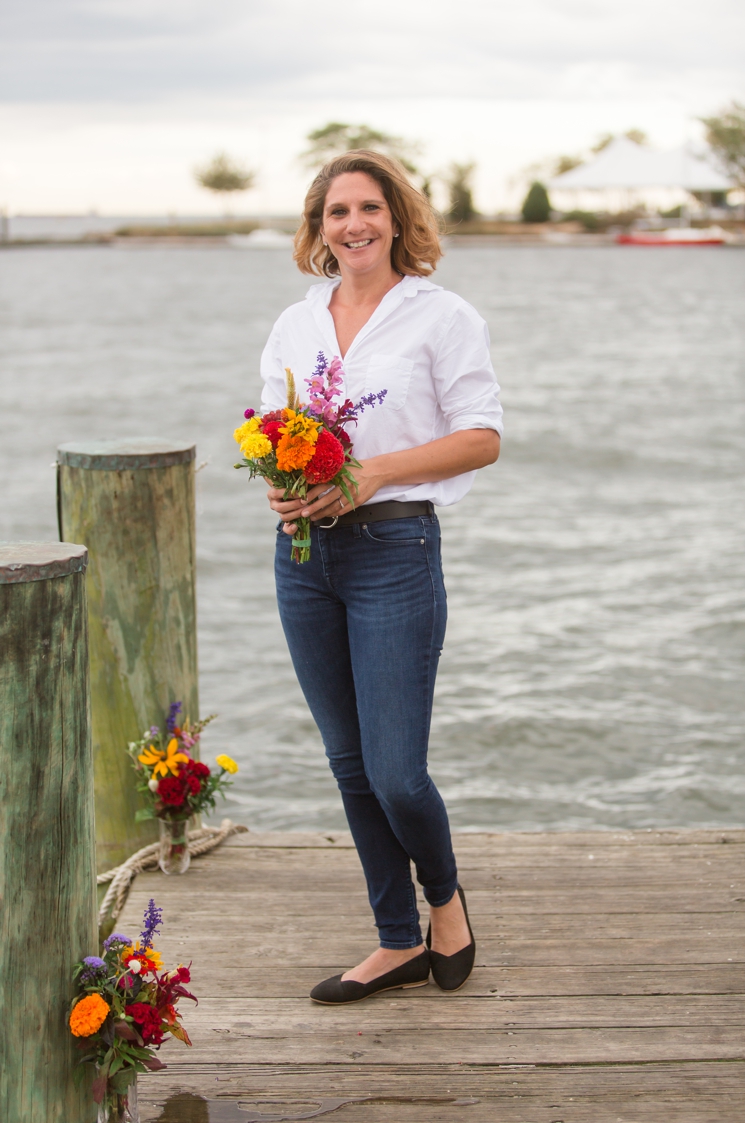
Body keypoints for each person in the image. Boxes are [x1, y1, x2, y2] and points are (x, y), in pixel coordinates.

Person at [259, 149, 503, 1003]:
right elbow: (272, 424)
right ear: (318, 228)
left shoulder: (443, 316)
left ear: (397, 216)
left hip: (396, 553)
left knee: (398, 769)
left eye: (369, 207)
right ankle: (396, 940)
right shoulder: (296, 322)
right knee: (351, 764)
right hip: (303, 560)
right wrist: (279, 481)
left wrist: (373, 471)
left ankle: (445, 901)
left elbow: (482, 436)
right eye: (337, 212)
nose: (354, 224)